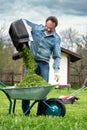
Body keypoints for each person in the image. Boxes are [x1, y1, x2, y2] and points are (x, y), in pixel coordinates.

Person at [22, 16, 61, 116]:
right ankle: (26, 113)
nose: (48, 29)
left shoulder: (56, 38)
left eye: (51, 28)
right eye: (47, 26)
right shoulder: (36, 28)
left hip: (44, 64)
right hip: (30, 62)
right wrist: (26, 27)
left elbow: (57, 56)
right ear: (45, 23)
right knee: (26, 87)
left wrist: (56, 70)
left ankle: (40, 113)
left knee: (43, 90)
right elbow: (24, 20)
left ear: (55, 27)